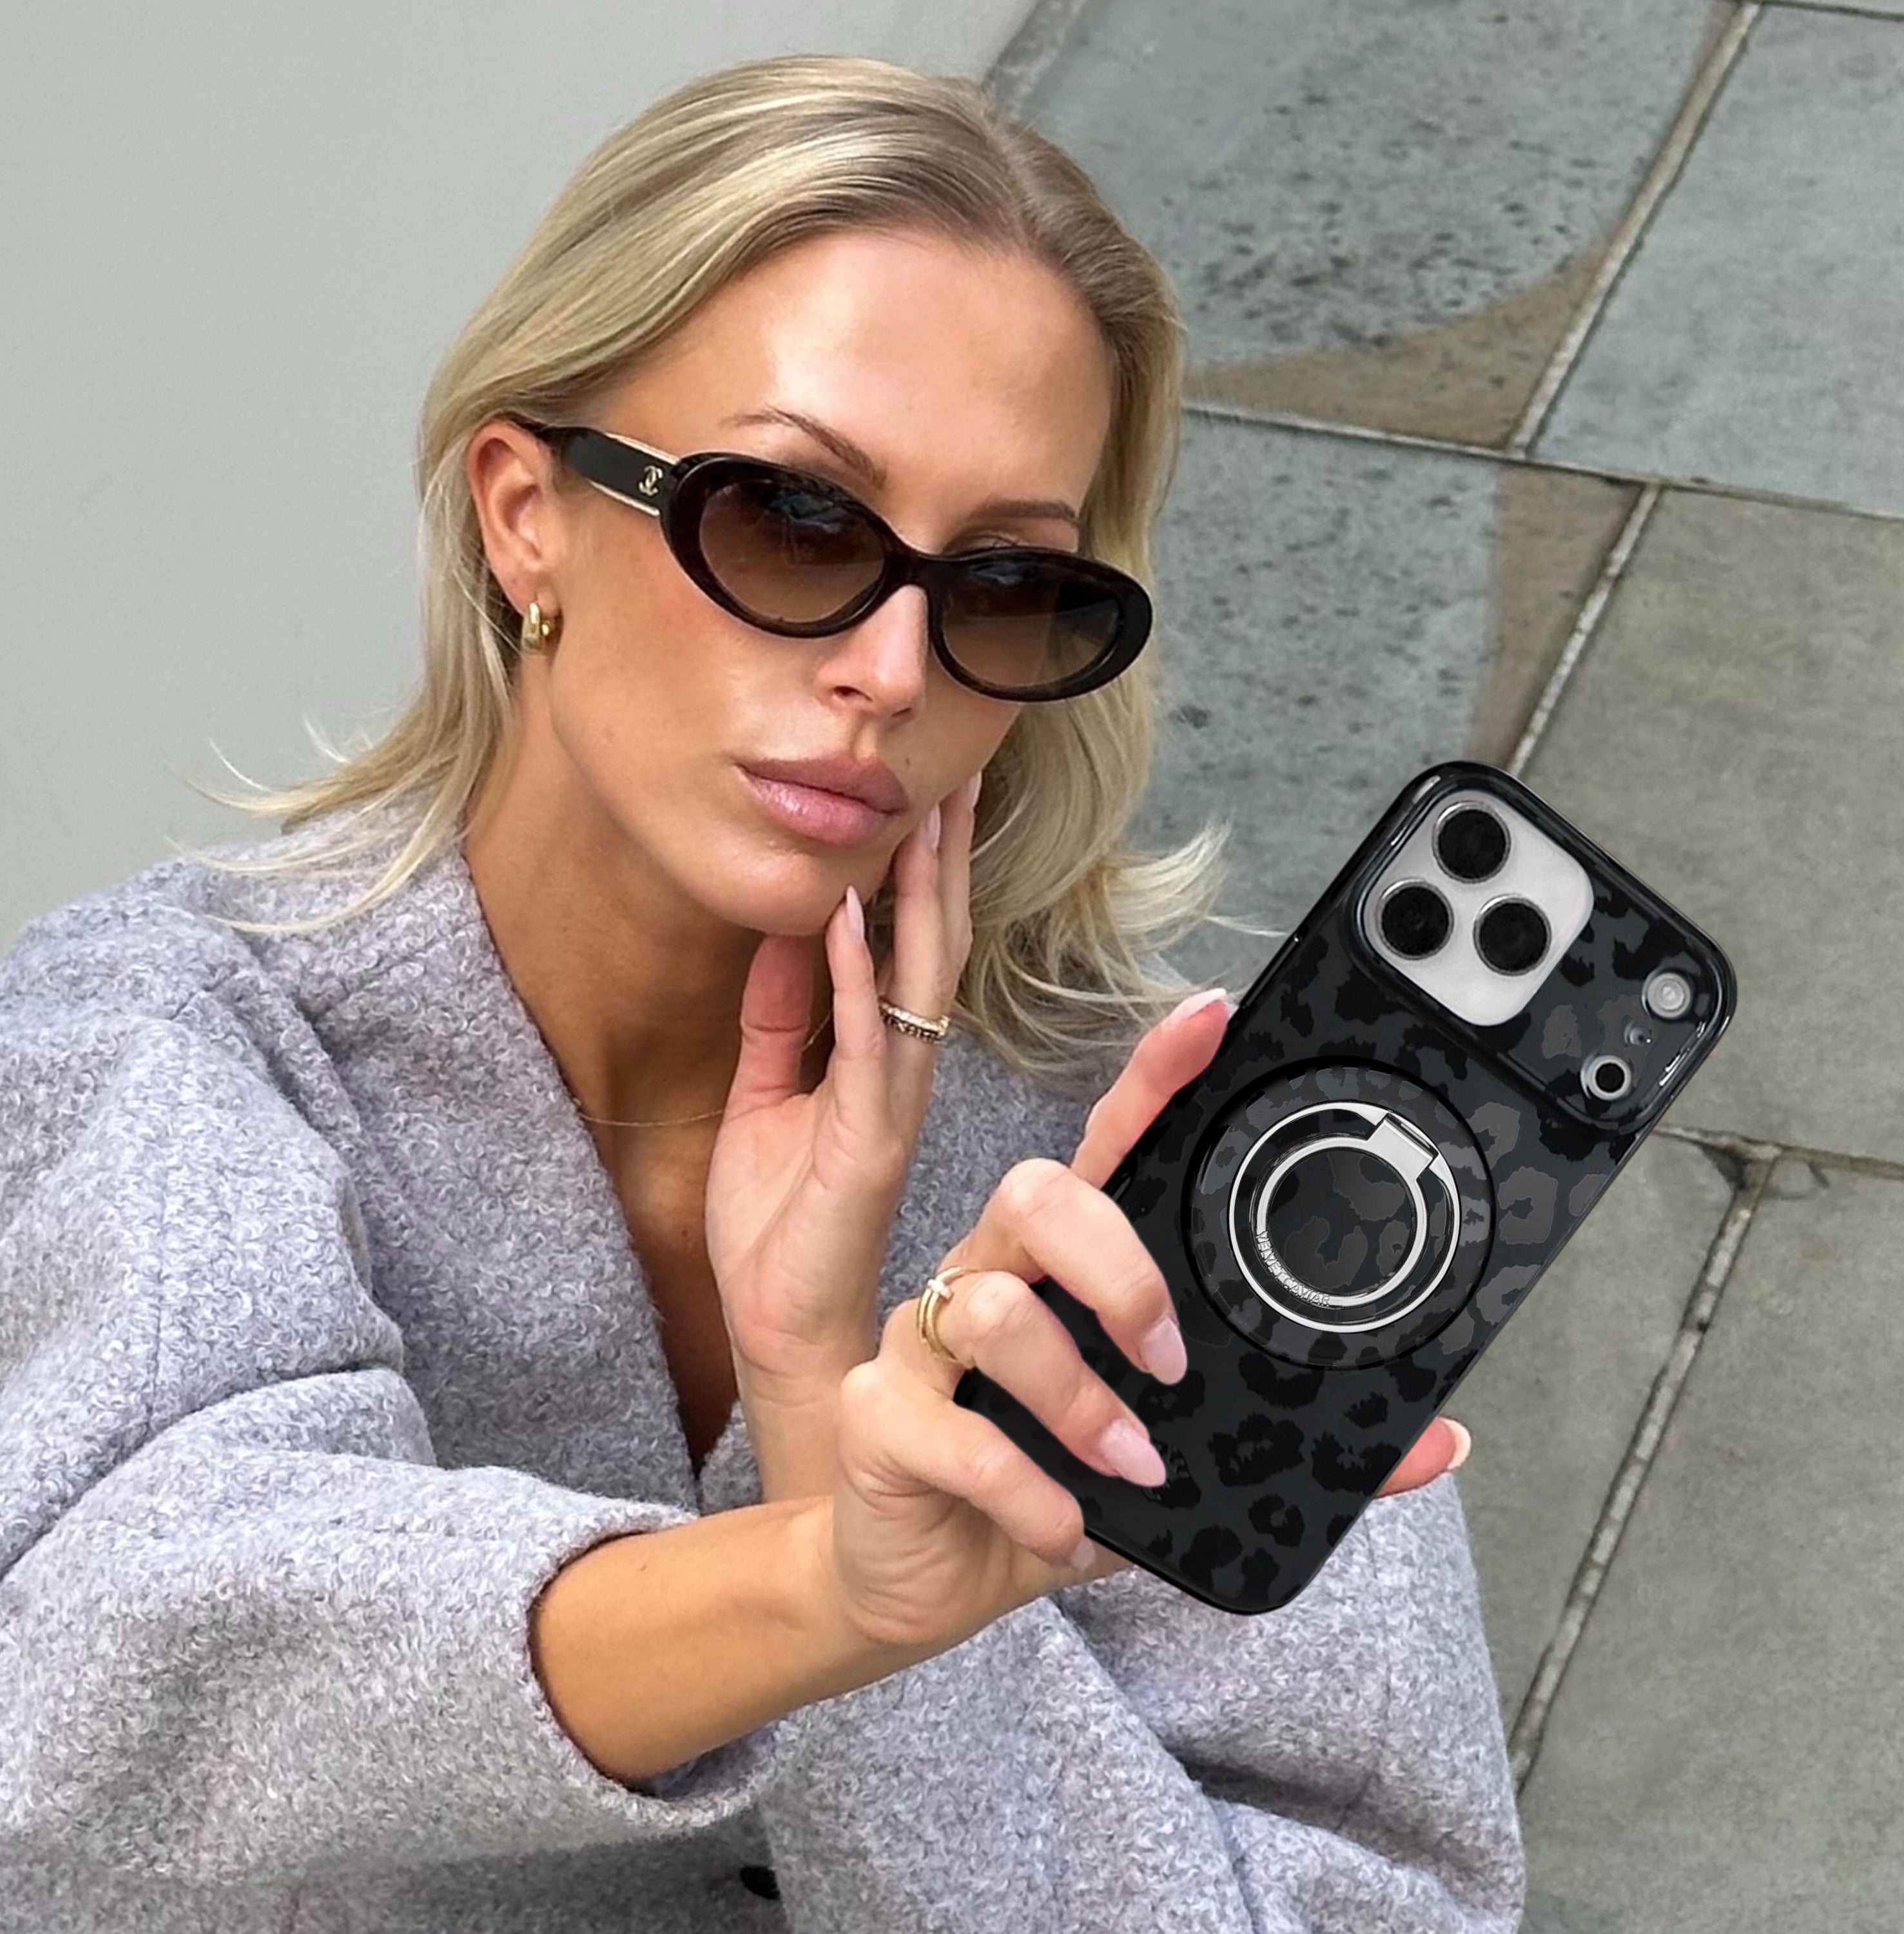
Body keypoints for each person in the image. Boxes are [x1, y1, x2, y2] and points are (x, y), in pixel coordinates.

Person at [0, 51, 1522, 1934]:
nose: (894, 667)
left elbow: (1375, 1904)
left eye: (1004, 585)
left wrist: (822, 1403)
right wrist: (825, 1581)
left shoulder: (1180, 1152)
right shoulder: (164, 1045)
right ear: (525, 512)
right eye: (795, 521)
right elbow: (93, 1706)